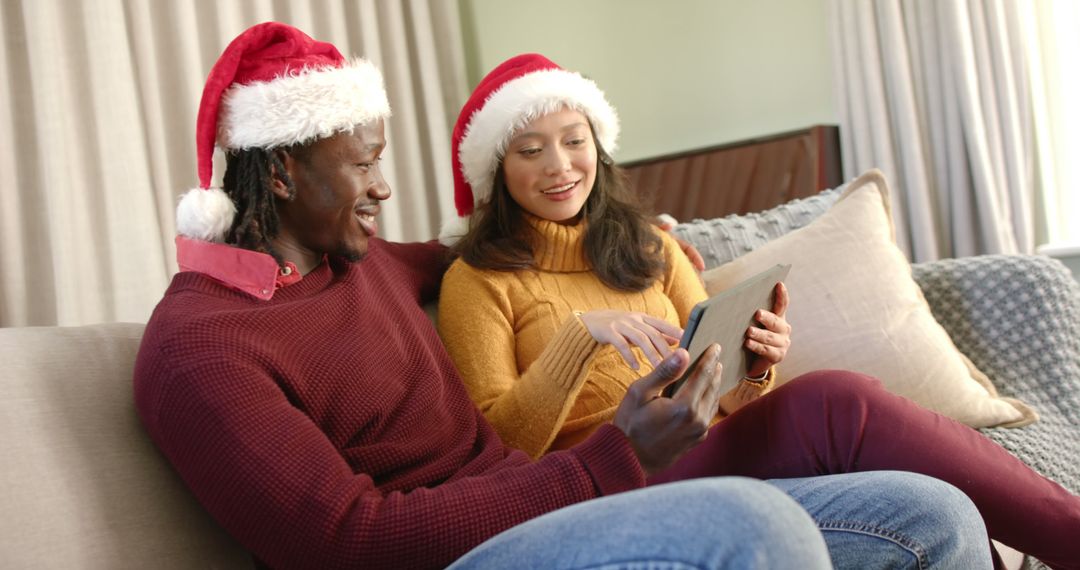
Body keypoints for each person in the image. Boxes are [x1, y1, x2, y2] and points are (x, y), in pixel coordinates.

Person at [132, 22, 992, 570]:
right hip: (450, 559)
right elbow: (344, 542)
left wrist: (644, 243)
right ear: (280, 170)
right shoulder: (202, 351)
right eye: (363, 163)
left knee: (933, 516)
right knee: (758, 534)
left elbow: (477, 250)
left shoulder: (353, 262)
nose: (382, 188)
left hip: (540, 513)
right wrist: (611, 456)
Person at [437, 53, 1080, 569]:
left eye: (573, 141)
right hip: (605, 479)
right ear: (497, 168)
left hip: (706, 448)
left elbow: (723, 394)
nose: (558, 166)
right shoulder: (477, 282)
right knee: (836, 401)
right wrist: (578, 339)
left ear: (596, 148)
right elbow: (500, 446)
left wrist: (756, 362)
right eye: (529, 150)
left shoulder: (651, 248)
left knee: (872, 448)